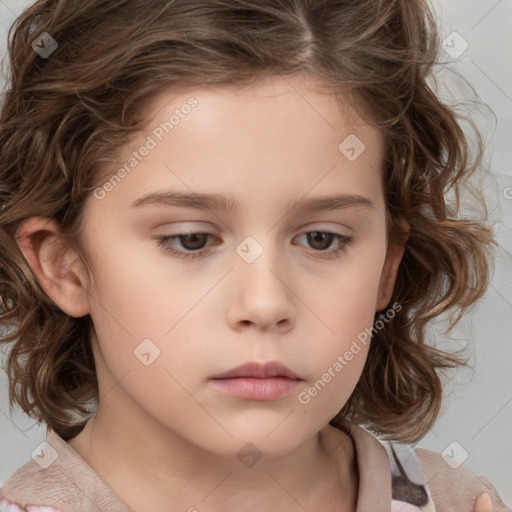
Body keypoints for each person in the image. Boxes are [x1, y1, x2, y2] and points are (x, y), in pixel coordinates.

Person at [0, 1, 509, 511]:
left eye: (321, 239)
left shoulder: (461, 502)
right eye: (191, 239)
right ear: (64, 266)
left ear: (386, 266)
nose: (265, 304)